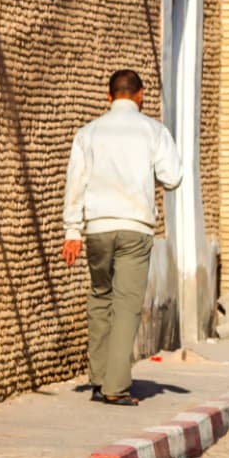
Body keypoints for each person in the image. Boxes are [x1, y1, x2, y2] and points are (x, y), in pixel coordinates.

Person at [62, 68, 183, 406]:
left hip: (97, 228)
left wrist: (72, 231)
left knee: (100, 296)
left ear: (108, 95)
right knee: (127, 305)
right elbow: (172, 177)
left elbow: (76, 183)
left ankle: (99, 378)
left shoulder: (88, 133)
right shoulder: (154, 131)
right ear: (141, 95)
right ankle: (115, 386)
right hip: (134, 226)